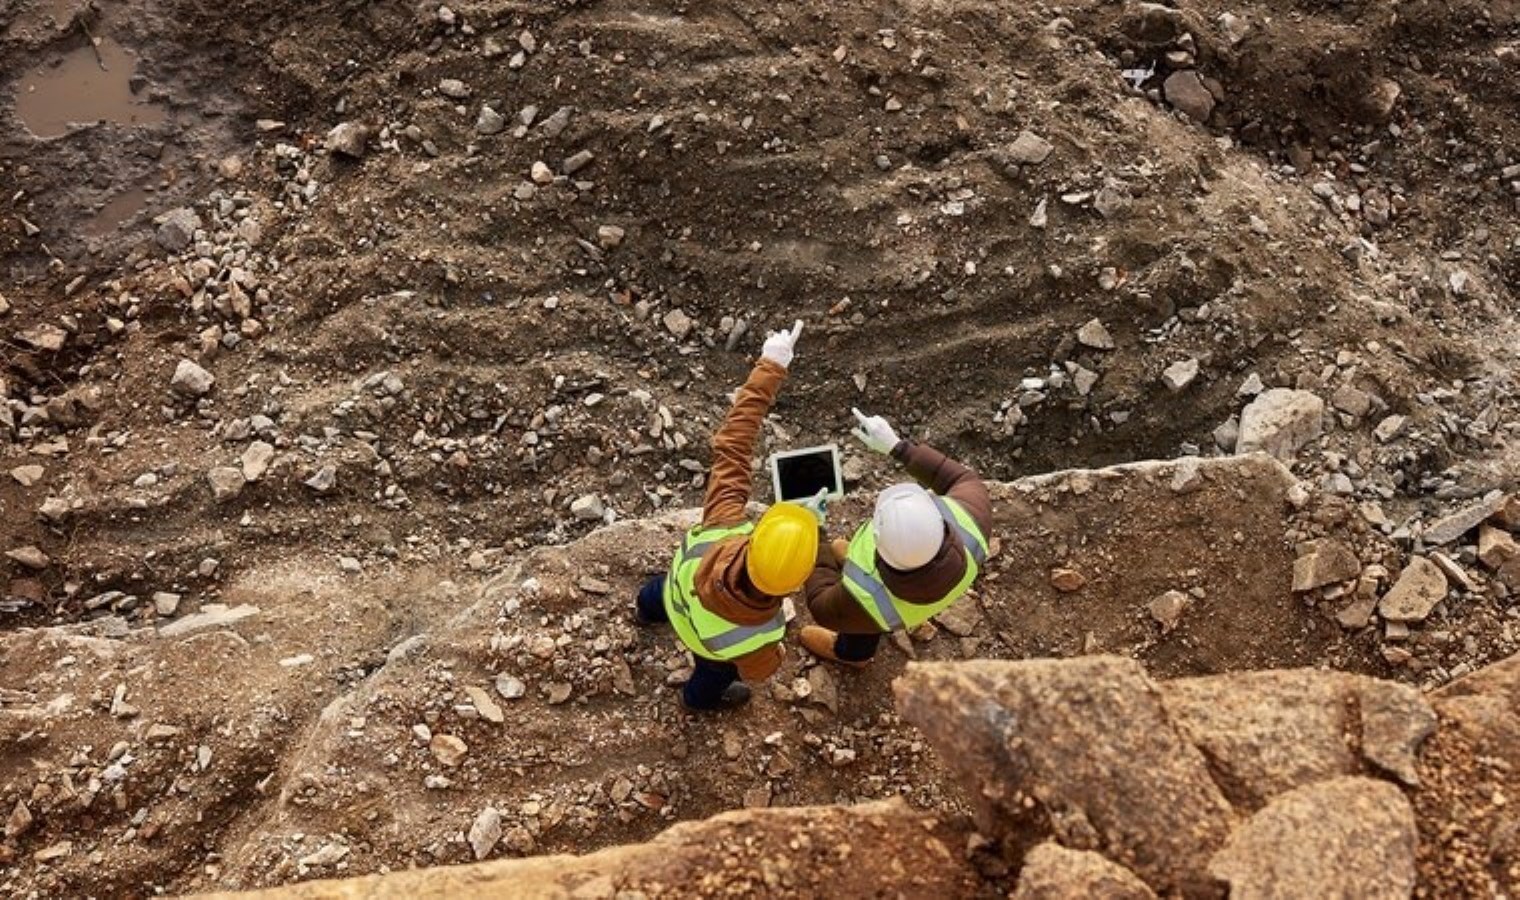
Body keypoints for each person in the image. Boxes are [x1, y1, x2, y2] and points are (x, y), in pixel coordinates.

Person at [634, 321, 819, 711]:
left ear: (756, 537)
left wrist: (771, 365)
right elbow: (760, 669)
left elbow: (733, 442)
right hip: (708, 647)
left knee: (656, 594)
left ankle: (645, 612)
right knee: (712, 678)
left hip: (675, 594)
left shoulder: (724, 524)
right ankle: (697, 702)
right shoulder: (764, 632)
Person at [800, 408, 992, 666]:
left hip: (877, 610)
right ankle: (853, 568)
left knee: (862, 627)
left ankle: (854, 655)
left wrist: (816, 532)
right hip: (930, 590)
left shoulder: (866, 599)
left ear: (877, 542)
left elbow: (820, 603)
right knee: (869, 614)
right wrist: (898, 447)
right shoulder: (972, 523)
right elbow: (960, 477)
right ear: (938, 521)